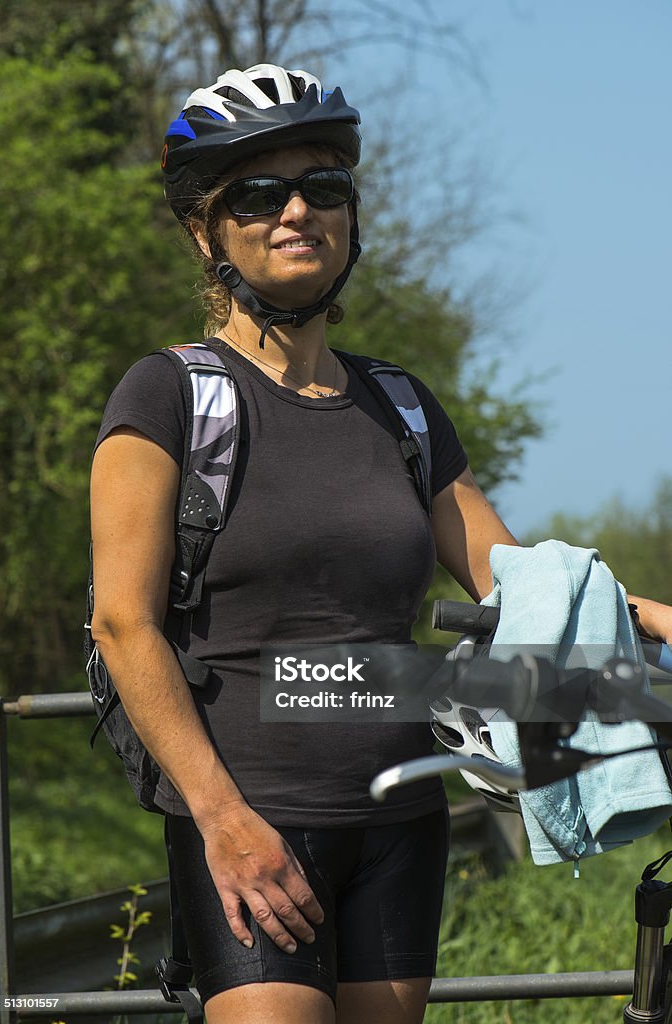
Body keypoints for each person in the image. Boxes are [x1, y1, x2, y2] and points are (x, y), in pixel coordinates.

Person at [89, 64, 672, 1024]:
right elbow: (123, 625)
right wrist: (222, 821)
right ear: (206, 231)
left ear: (351, 215)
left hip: (402, 816)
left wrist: (652, 619)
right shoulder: (168, 396)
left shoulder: (397, 405)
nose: (295, 212)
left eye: (323, 187)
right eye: (257, 194)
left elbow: (517, 583)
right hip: (251, 813)